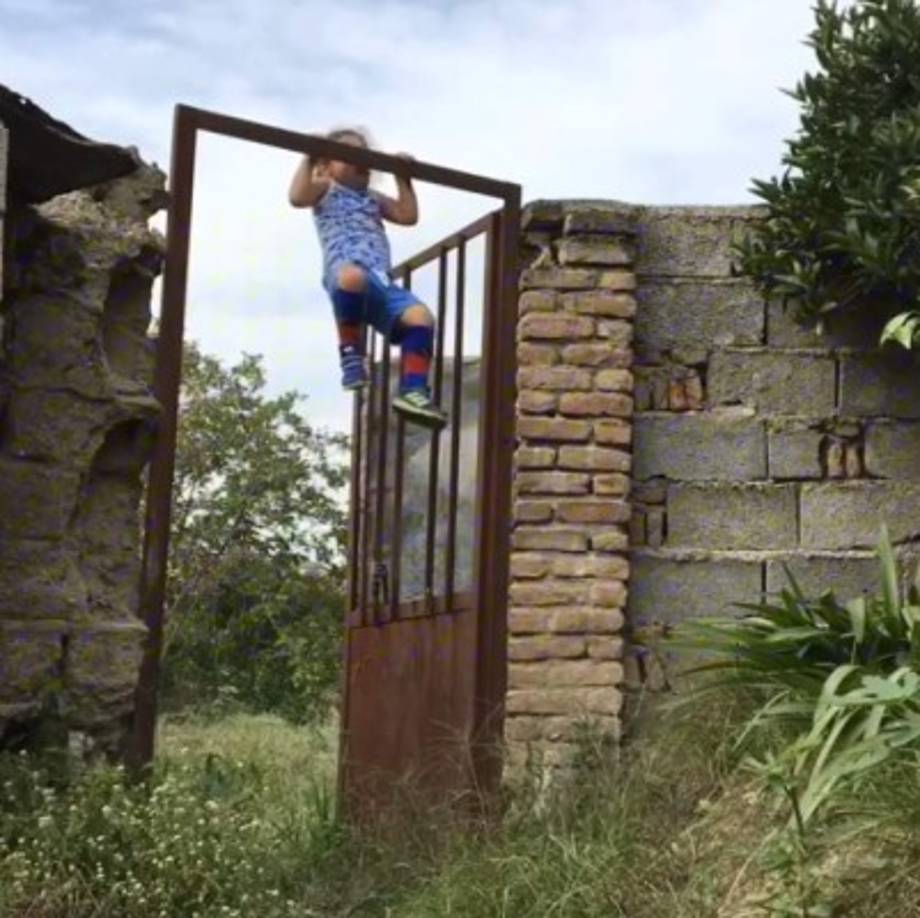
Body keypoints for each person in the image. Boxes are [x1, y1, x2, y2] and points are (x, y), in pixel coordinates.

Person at [288, 127, 447, 430]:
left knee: (421, 317)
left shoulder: (373, 198)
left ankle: (413, 391)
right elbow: (297, 197)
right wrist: (309, 157)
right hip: (346, 270)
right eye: (348, 155)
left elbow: (407, 215)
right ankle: (351, 353)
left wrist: (403, 178)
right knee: (352, 278)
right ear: (326, 166)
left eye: (364, 156)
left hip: (381, 280)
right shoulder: (326, 189)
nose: (359, 161)